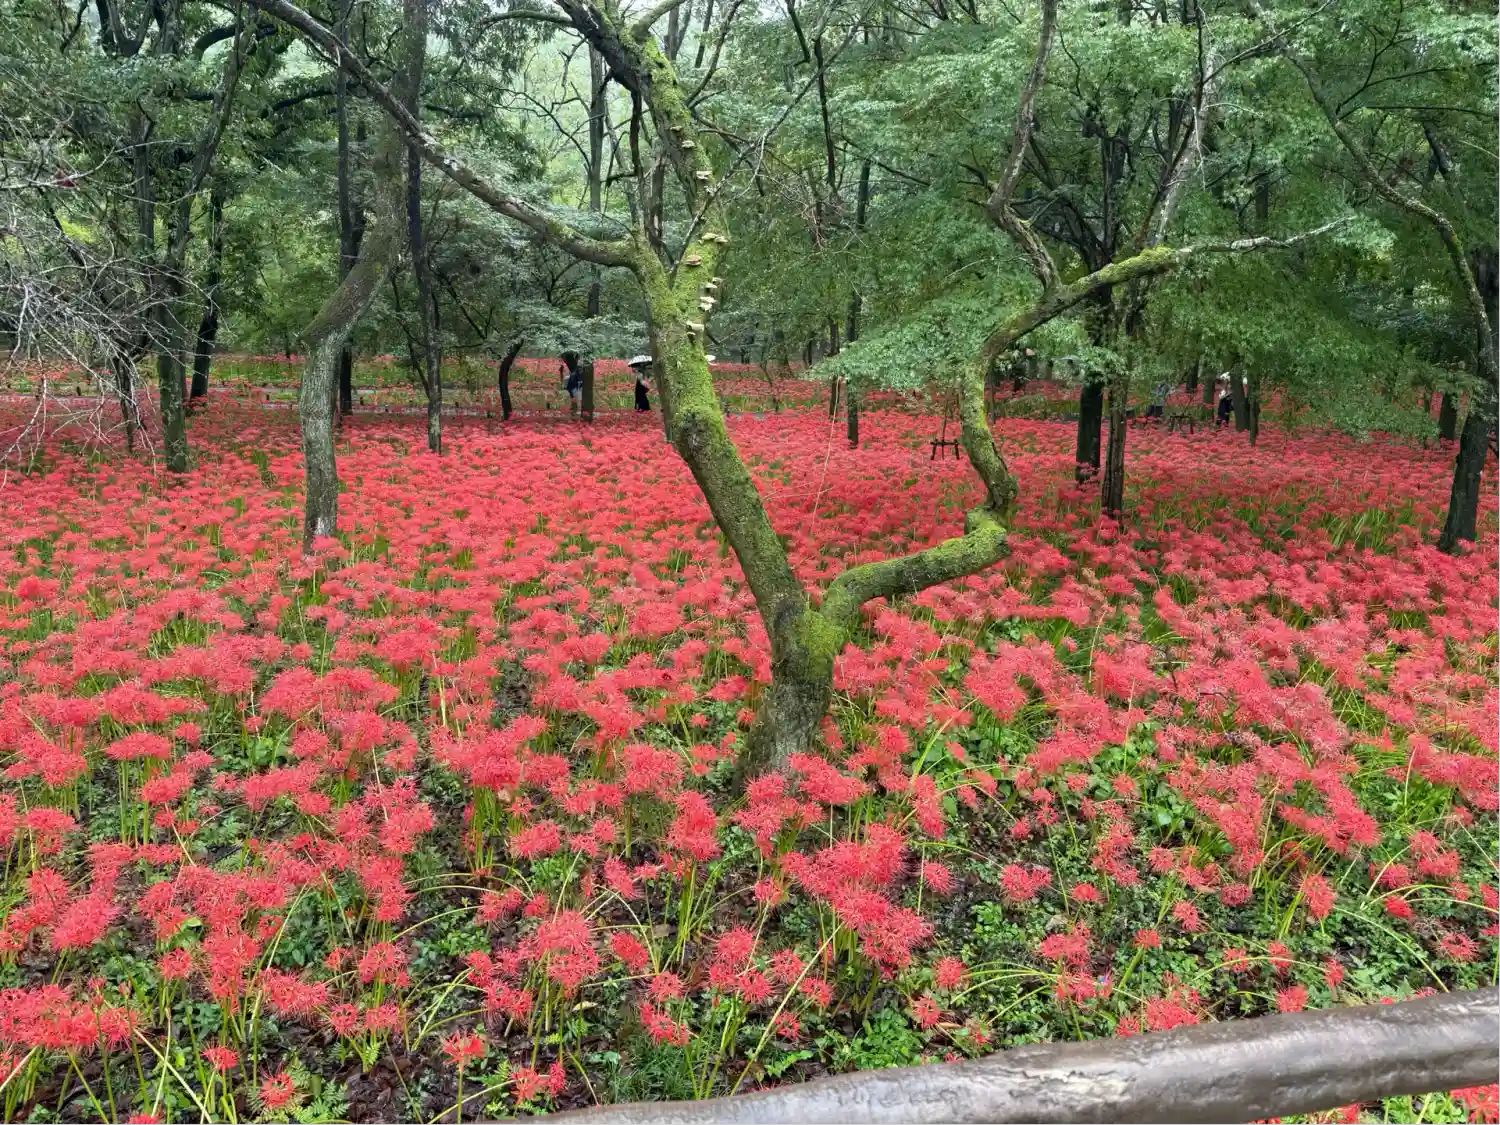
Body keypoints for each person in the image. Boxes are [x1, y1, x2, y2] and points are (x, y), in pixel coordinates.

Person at [560, 350, 583, 416]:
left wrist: (561, 372)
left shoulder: (569, 378)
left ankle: (574, 409)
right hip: (575, 381)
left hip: (574, 381)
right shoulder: (575, 371)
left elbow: (565, 384)